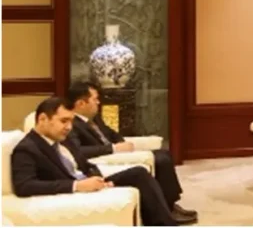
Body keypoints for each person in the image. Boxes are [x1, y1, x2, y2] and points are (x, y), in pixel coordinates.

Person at [11, 97, 178, 226]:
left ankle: (165, 220)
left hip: (89, 182)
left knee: (139, 174)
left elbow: (86, 165)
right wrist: (77, 186)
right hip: (73, 190)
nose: (69, 127)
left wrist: (99, 179)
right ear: (42, 119)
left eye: (71, 121)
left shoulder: (62, 139)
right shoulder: (27, 148)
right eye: (63, 121)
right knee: (139, 176)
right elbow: (24, 186)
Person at [65, 81, 196, 224]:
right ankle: (167, 213)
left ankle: (170, 204)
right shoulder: (71, 124)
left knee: (163, 154)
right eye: (95, 99)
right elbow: (79, 151)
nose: (98, 102)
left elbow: (111, 133)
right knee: (158, 162)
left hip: (117, 155)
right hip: (106, 160)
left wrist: (121, 142)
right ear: (81, 103)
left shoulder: (94, 117)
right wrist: (113, 149)